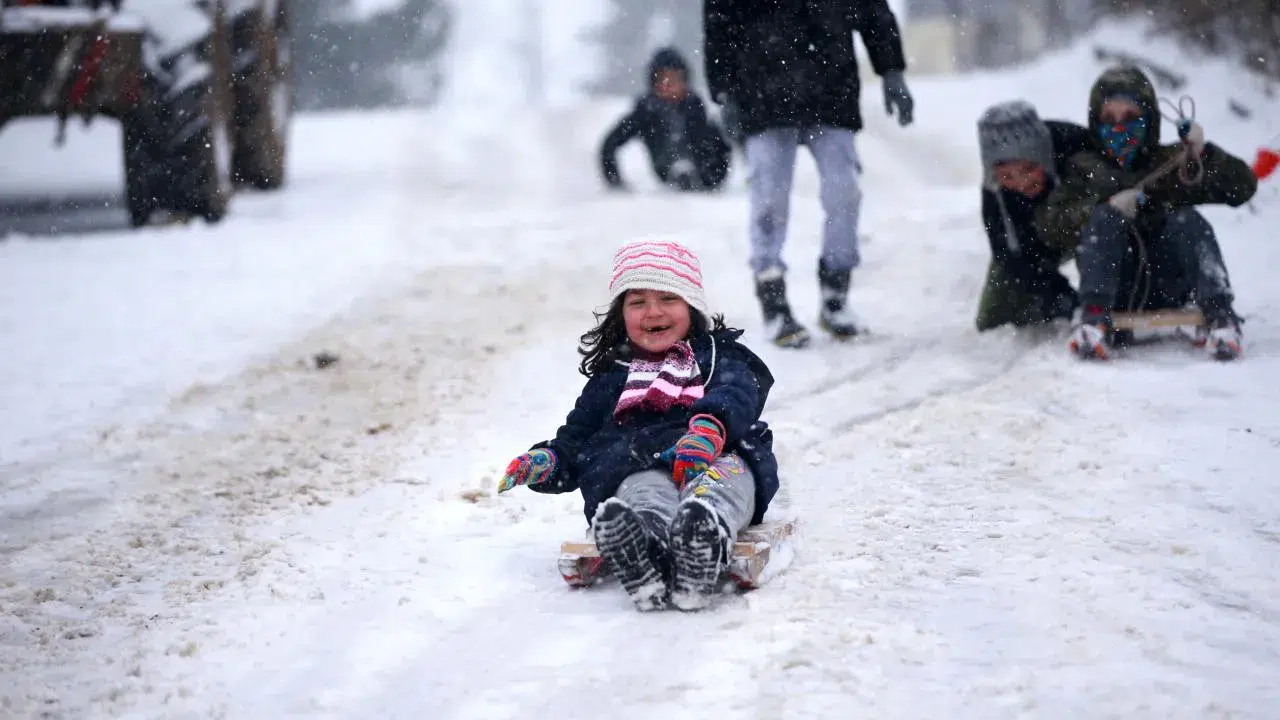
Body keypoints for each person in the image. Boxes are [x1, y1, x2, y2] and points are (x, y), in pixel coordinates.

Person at [496, 239, 781, 612]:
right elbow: (577, 440)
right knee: (641, 492)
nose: (652, 312)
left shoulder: (717, 357)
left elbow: (737, 392)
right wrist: (547, 461)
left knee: (720, 486)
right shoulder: (611, 377)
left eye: (667, 298)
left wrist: (709, 428)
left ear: (692, 307)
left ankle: (702, 538)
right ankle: (643, 549)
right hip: (641, 465)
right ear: (621, 314)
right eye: (637, 302)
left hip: (715, 456)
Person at [703, 0, 915, 348]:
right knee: (768, 201)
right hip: (762, 96)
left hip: (832, 90)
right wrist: (724, 93)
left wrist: (892, 70)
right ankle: (773, 301)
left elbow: (873, 11)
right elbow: (719, 22)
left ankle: (836, 295)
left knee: (844, 194)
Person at [1036, 65, 1256, 361]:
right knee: (1103, 219)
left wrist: (1204, 155)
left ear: (1149, 120)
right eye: (1109, 119)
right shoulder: (1083, 168)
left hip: (1167, 280)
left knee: (1187, 219)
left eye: (1130, 118)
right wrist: (1102, 209)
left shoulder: (1171, 162)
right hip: (1113, 287)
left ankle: (1220, 315)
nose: (1119, 128)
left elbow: (1242, 187)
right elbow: (1050, 226)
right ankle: (1093, 322)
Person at [975, 101, 1092, 332]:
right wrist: (1058, 295)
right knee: (993, 320)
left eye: (1029, 169)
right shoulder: (995, 192)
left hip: (1087, 229)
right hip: (1037, 240)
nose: (1021, 183)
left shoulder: (1078, 148)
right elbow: (1008, 254)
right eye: (1007, 176)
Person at [599, 47, 732, 193]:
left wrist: (714, 176)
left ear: (685, 80)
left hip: (705, 175)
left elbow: (720, 146)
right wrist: (615, 181)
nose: (669, 85)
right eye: (663, 79)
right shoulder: (645, 111)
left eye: (675, 78)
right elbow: (610, 144)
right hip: (666, 169)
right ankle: (680, 170)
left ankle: (689, 172)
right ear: (653, 82)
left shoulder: (695, 107)